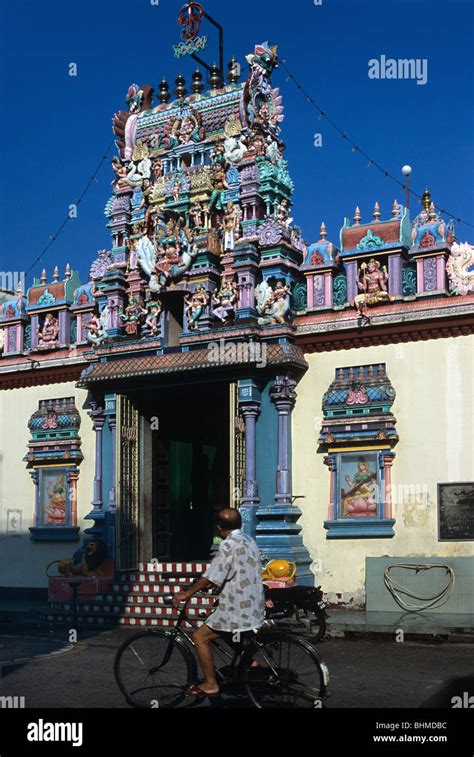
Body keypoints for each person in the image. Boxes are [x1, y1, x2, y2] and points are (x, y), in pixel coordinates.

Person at [172, 508, 265, 697]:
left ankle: (210, 683)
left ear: (219, 528)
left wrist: (187, 594)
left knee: (200, 637)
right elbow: (236, 571)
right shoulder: (249, 540)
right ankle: (250, 662)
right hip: (254, 605)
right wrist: (218, 586)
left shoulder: (227, 545)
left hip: (237, 607)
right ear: (240, 524)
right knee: (229, 634)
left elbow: (209, 576)